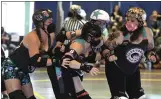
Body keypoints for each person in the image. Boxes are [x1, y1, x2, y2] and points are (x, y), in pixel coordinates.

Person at [102, 7, 155, 99]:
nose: (129, 23)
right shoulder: (120, 34)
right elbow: (104, 48)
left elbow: (150, 49)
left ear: (140, 22)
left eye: (133, 20)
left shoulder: (147, 32)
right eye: (128, 20)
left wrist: (150, 55)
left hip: (133, 69)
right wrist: (109, 55)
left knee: (140, 97)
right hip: (116, 68)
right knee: (120, 97)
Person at [1, 9, 55, 99]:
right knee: (17, 96)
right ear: (40, 22)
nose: (51, 20)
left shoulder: (50, 35)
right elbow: (35, 61)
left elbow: (65, 36)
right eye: (48, 19)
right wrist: (57, 61)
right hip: (12, 66)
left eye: (51, 18)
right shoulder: (33, 36)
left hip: (24, 69)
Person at [60, 22, 101, 99]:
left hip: (74, 74)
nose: (98, 40)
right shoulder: (78, 45)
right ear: (89, 37)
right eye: (96, 37)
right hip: (62, 72)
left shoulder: (89, 45)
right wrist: (87, 67)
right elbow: (67, 61)